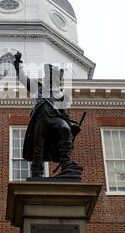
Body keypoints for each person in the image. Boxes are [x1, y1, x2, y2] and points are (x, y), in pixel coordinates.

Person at [13, 51, 83, 179]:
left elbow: (65, 116)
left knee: (65, 129)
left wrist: (72, 125)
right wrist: (18, 64)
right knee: (38, 147)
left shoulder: (61, 96)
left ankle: (65, 164)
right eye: (49, 78)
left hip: (55, 119)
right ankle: (36, 172)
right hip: (40, 119)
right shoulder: (37, 88)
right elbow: (23, 78)